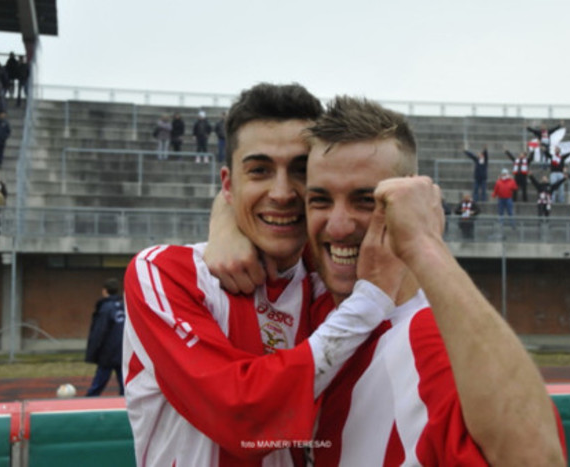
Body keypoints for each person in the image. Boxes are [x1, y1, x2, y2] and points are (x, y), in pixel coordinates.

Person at [209, 96, 566, 465]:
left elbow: (538, 459)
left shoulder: (426, 339)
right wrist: (224, 215)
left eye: (366, 200)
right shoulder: (314, 306)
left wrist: (424, 244)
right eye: (320, 200)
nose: (339, 225)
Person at [124, 84, 398, 466]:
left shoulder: (325, 283)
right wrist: (371, 299)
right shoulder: (163, 273)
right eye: (259, 171)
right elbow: (242, 417)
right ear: (228, 184)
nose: (282, 192)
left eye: (300, 171)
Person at [85, 278, 126, 397]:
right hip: (122, 349)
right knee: (124, 381)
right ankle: (126, 403)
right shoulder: (123, 306)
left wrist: (93, 351)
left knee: (100, 380)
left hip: (108, 351)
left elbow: (99, 331)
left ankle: (89, 401)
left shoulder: (105, 308)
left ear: (105, 291)